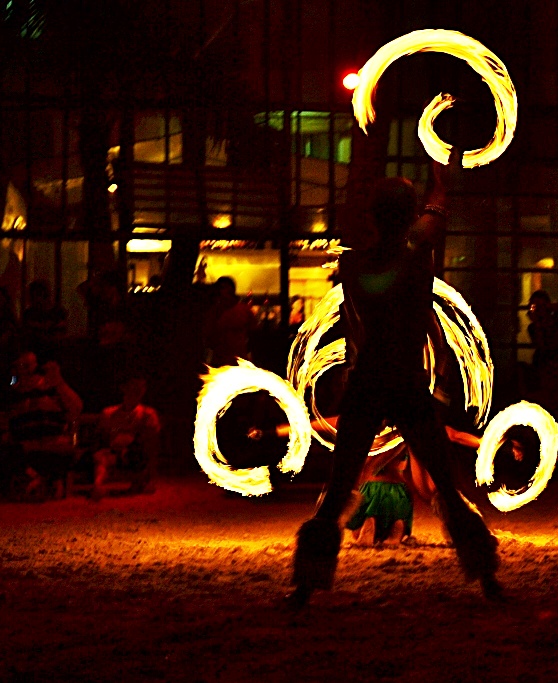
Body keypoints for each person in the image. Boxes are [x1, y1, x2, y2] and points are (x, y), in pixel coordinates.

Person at [288, 149, 502, 609]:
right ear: (407, 216)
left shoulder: (352, 267)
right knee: (445, 484)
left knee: (339, 485)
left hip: (367, 381)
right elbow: (435, 215)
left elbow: (354, 330)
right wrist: (441, 181)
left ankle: (306, 584)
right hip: (405, 383)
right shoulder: (417, 258)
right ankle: (487, 578)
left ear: (373, 216)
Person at [6, 351, 83, 499]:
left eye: (29, 365)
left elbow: (77, 407)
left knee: (62, 451)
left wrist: (59, 382)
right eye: (22, 365)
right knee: (7, 453)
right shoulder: (13, 393)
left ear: (35, 366)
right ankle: (39, 479)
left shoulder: (51, 386)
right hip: (25, 447)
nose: (26, 369)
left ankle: (48, 481)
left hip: (53, 444)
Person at [91, 377, 161, 501]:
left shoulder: (147, 414)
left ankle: (143, 481)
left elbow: (152, 442)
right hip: (113, 451)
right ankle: (98, 486)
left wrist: (131, 441)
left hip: (135, 453)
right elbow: (102, 437)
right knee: (101, 457)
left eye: (138, 388)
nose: (134, 391)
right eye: (132, 387)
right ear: (124, 389)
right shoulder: (109, 413)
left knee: (140, 454)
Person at [205, 277, 256, 367]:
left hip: (238, 360)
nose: (222, 291)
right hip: (221, 361)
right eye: (220, 288)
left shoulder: (244, 310)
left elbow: (253, 335)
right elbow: (209, 338)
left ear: (232, 289)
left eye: (224, 287)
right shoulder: (214, 312)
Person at [22, 280, 67, 358]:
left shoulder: (58, 312)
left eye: (36, 295)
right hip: (34, 355)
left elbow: (60, 335)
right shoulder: (29, 314)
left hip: (54, 354)